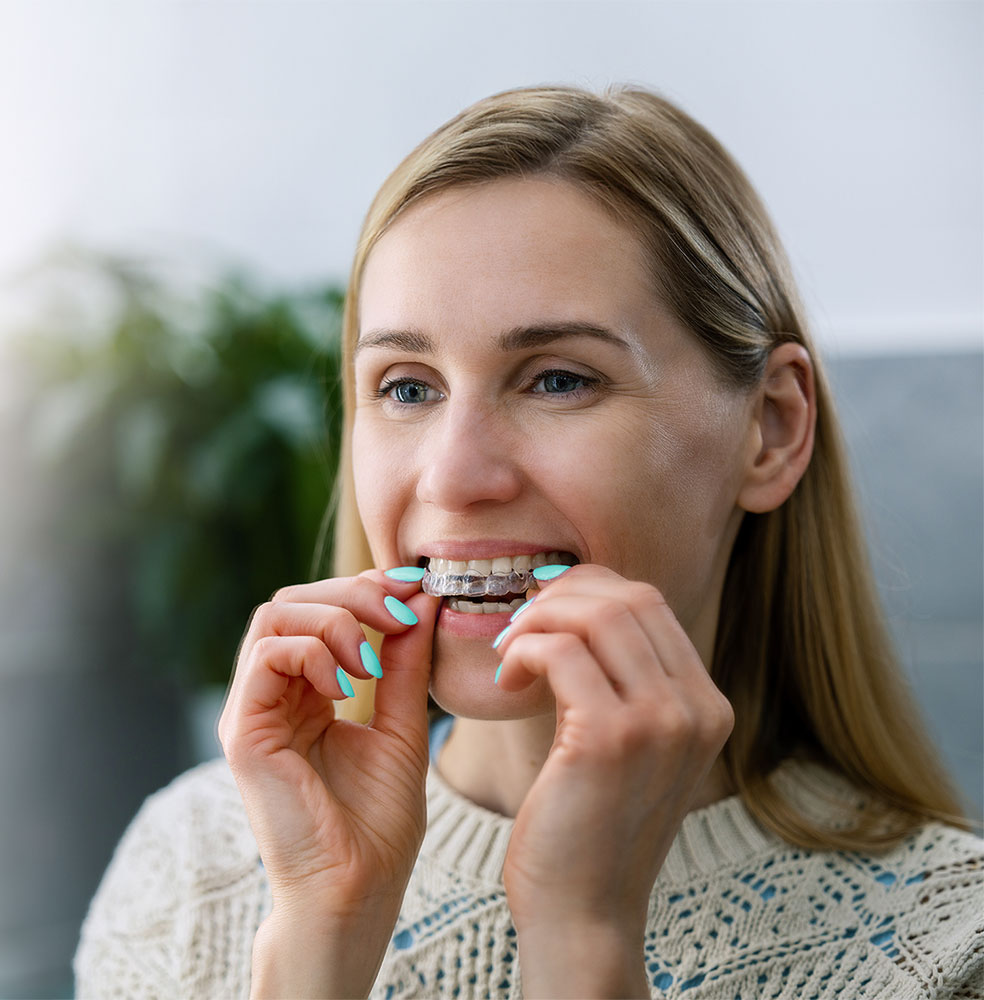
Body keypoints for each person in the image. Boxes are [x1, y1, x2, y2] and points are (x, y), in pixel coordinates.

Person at [75, 85, 983, 999]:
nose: (454, 475)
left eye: (557, 379)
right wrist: (319, 937)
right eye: (406, 387)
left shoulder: (947, 952)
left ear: (772, 429)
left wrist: (583, 945)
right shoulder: (191, 874)